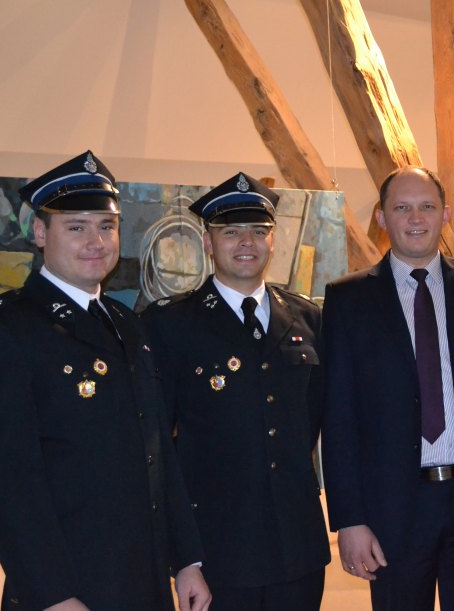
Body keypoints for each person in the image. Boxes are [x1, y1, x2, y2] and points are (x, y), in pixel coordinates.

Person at [0, 151, 210, 611]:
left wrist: (186, 559)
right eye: (76, 227)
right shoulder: (14, 329)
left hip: (142, 579)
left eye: (107, 226)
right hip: (67, 588)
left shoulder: (125, 323)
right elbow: (12, 481)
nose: (96, 241)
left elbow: (158, 449)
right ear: (40, 233)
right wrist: (52, 595)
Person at [321, 166, 454, 611]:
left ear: (446, 214)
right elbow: (338, 418)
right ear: (381, 217)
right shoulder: (348, 300)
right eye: (402, 207)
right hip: (392, 510)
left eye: (427, 206)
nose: (415, 218)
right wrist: (350, 521)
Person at [142, 172, 330, 610]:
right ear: (209, 243)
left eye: (258, 231)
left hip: (297, 546)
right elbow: (157, 448)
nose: (246, 242)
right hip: (217, 547)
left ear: (272, 240)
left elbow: (315, 420)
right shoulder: (170, 325)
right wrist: (183, 557)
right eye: (230, 232)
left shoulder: (307, 318)